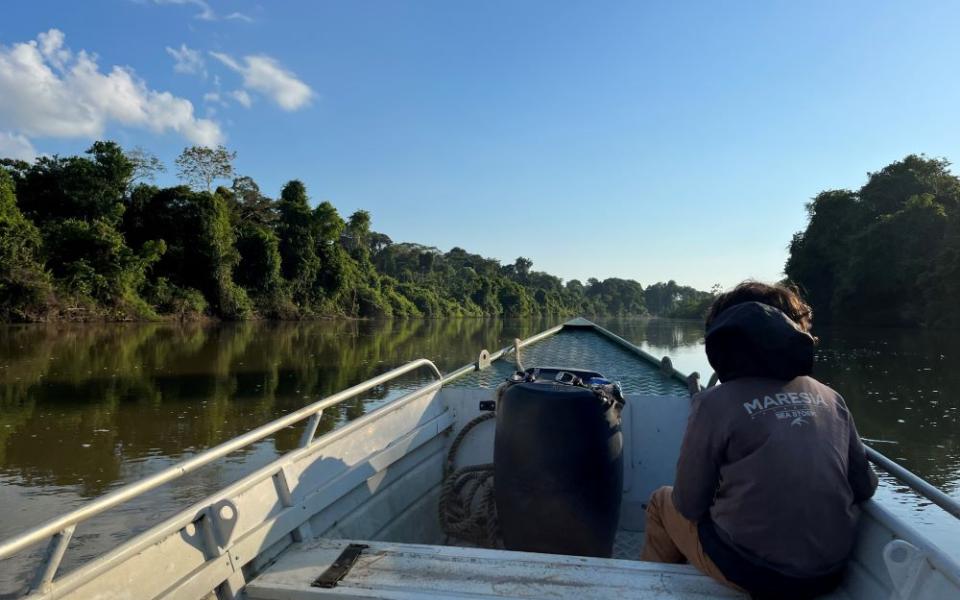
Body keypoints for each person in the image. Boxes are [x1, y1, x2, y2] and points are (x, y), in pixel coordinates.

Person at [640, 281, 878, 599]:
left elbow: (689, 505)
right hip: (830, 573)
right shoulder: (830, 397)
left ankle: (643, 590)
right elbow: (866, 487)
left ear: (723, 337)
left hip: (754, 573)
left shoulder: (713, 403)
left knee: (661, 501)